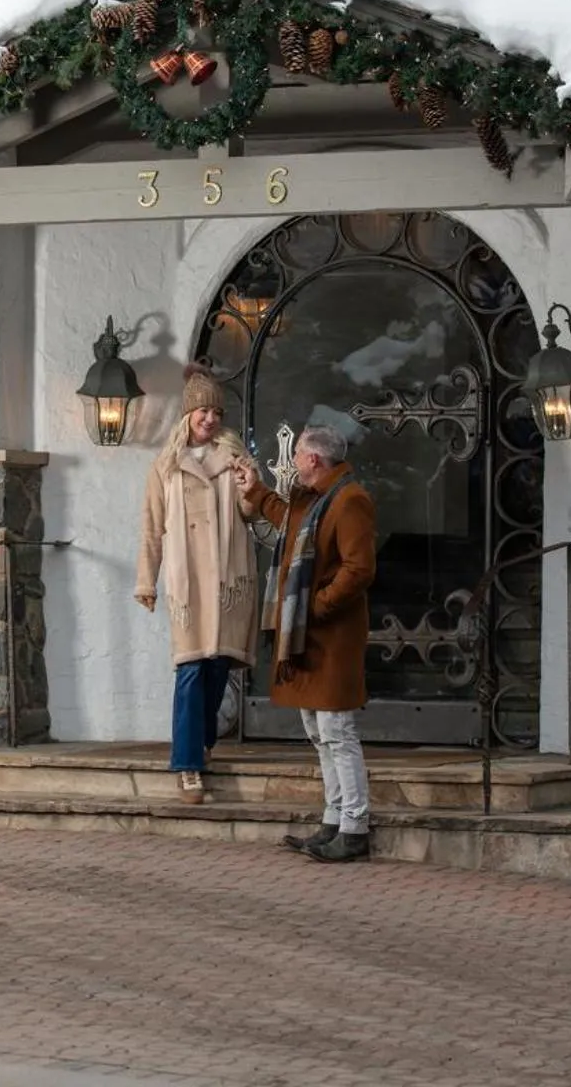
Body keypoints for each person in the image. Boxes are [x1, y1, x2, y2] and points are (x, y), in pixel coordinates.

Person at [235, 425, 378, 862]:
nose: (293, 459)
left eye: (297, 452)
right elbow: (291, 525)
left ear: (313, 459)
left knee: (338, 731)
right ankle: (333, 821)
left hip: (329, 635)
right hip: (308, 636)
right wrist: (257, 491)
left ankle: (355, 829)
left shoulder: (349, 501)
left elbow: (359, 569)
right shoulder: (316, 500)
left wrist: (316, 606)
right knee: (318, 732)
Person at [133, 366, 259, 805]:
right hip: (188, 583)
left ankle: (203, 744)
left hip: (228, 578)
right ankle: (188, 765)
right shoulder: (165, 468)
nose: (210, 418)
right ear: (187, 415)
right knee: (190, 668)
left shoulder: (236, 459)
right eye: (203, 409)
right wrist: (146, 580)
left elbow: (249, 512)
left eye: (216, 411)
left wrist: (250, 488)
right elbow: (151, 528)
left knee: (218, 666)